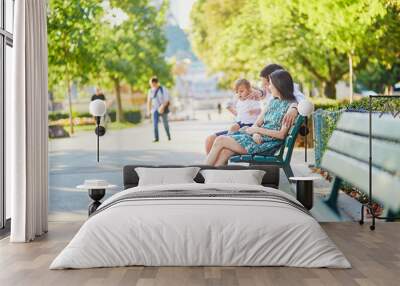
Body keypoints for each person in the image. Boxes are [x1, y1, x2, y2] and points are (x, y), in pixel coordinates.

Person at [204, 63, 305, 154]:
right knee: (211, 140)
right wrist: (259, 94)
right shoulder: (269, 95)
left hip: (255, 131)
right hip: (254, 129)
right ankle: (213, 170)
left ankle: (212, 169)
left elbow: (302, 102)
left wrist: (294, 107)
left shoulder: (289, 92)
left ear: (277, 82)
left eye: (267, 83)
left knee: (220, 142)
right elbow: (262, 96)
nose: (265, 86)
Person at [146, 77, 171, 142]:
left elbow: (166, 100)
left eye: (151, 83)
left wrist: (162, 107)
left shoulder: (163, 89)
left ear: (155, 83)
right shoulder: (150, 91)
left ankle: (168, 136)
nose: (151, 84)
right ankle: (156, 138)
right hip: (154, 109)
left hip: (163, 108)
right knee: (155, 124)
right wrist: (148, 111)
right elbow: (149, 101)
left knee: (165, 124)